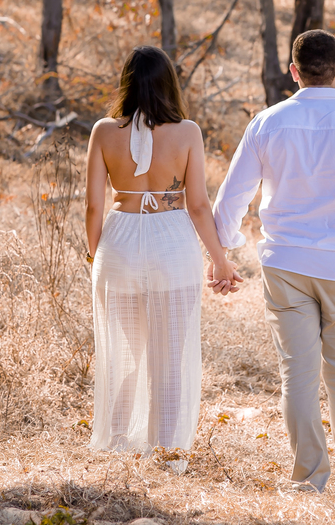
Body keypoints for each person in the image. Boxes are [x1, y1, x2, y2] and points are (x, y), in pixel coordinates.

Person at [213, 29, 335, 493]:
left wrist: (222, 250)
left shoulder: (267, 122)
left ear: (294, 72)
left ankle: (309, 478)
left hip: (286, 265)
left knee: (297, 376)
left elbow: (233, 195)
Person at [85, 46, 242, 468]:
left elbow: (94, 208)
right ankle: (168, 455)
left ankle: (117, 446)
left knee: (126, 351)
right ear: (169, 84)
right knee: (170, 355)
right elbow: (197, 206)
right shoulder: (187, 131)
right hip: (171, 245)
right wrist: (220, 261)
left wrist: (95, 256)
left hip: (117, 242)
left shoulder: (103, 131)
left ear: (126, 84)